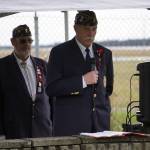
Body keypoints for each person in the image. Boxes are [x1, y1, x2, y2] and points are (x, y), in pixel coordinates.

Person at [46, 10, 114, 136]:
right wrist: (82, 80)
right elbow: (51, 88)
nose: (91, 33)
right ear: (75, 28)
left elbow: (107, 90)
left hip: (100, 126)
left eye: (94, 29)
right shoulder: (59, 53)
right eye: (86, 29)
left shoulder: (104, 53)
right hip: (71, 126)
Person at [0, 24, 52, 139]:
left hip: (43, 131)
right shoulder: (2, 67)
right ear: (13, 42)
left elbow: (51, 98)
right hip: (15, 132)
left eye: (30, 40)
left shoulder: (42, 65)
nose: (27, 44)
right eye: (23, 41)